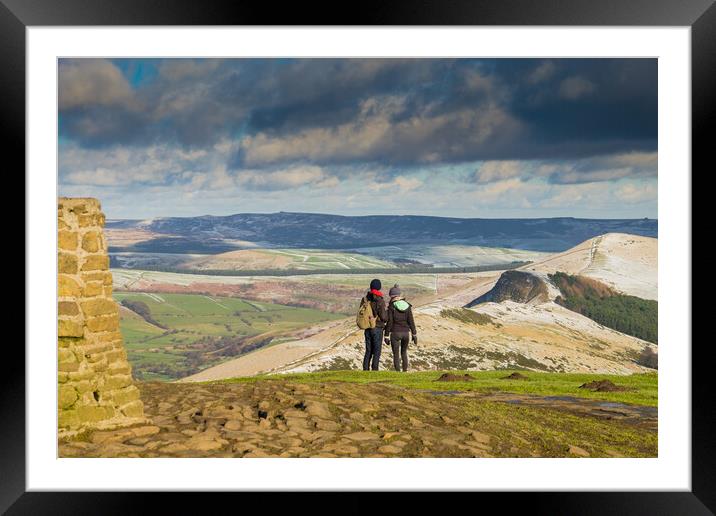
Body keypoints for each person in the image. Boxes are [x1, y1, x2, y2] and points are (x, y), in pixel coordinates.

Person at [384, 284, 417, 372]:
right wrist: (414, 334)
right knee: (404, 353)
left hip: (395, 333)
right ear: (399, 295)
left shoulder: (392, 306)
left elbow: (390, 322)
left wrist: (386, 335)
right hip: (406, 333)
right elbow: (411, 321)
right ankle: (405, 371)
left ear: (391, 296)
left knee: (396, 354)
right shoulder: (407, 306)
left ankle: (398, 372)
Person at [362, 278, 387, 371]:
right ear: (379, 287)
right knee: (377, 351)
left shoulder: (365, 299)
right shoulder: (380, 300)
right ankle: (375, 370)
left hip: (367, 327)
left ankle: (365, 370)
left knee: (368, 351)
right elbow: (383, 317)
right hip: (377, 328)